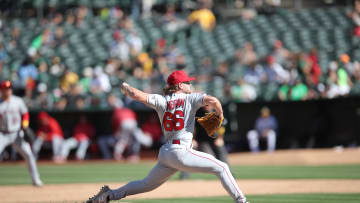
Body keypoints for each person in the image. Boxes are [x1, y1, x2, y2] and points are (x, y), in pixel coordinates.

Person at [87, 70, 248, 203]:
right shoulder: (190, 98)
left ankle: (109, 195)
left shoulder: (161, 100)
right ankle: (241, 201)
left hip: (166, 152)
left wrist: (124, 85)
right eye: (187, 82)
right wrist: (220, 114)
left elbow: (136, 95)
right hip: (181, 151)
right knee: (223, 168)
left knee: (146, 184)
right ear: (179, 85)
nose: (190, 84)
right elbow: (212, 100)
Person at [0, 80, 43, 186]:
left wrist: (25, 124)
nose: (8, 90)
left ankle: (36, 180)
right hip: (2, 134)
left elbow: (25, 114)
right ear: (1, 90)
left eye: (9, 88)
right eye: (6, 89)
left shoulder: (18, 101)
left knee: (29, 155)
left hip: (16, 134)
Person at [179, 105, 230, 180]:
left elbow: (222, 127)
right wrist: (192, 139)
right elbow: (193, 128)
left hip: (214, 139)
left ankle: (229, 175)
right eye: (205, 104)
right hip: (201, 139)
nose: (207, 106)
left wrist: (220, 138)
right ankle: (184, 177)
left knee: (221, 152)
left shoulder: (217, 112)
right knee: (190, 151)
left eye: (208, 104)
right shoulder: (198, 113)